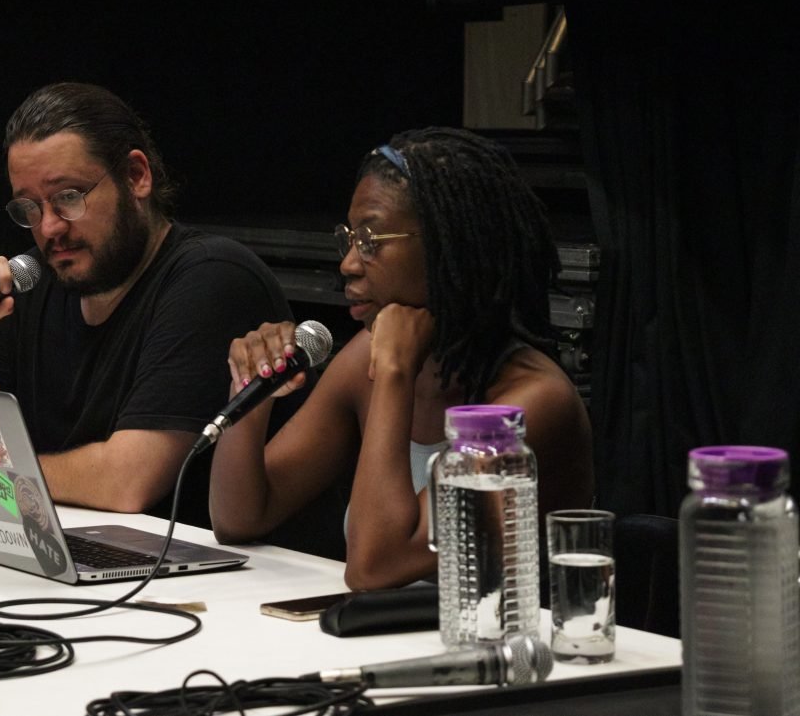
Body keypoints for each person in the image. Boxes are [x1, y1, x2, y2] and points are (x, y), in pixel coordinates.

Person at [209, 127, 594, 589]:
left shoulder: (532, 403)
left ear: (448, 244)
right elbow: (241, 517)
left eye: (371, 239)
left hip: (506, 653)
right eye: (349, 238)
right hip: (398, 644)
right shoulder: (365, 360)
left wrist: (394, 374)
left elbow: (377, 566)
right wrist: (255, 387)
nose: (349, 263)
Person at [0, 82, 291, 527]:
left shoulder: (211, 277)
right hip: (68, 544)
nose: (50, 227)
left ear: (136, 175)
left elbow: (127, 480)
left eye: (68, 197)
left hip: (195, 576)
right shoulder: (35, 278)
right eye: (30, 208)